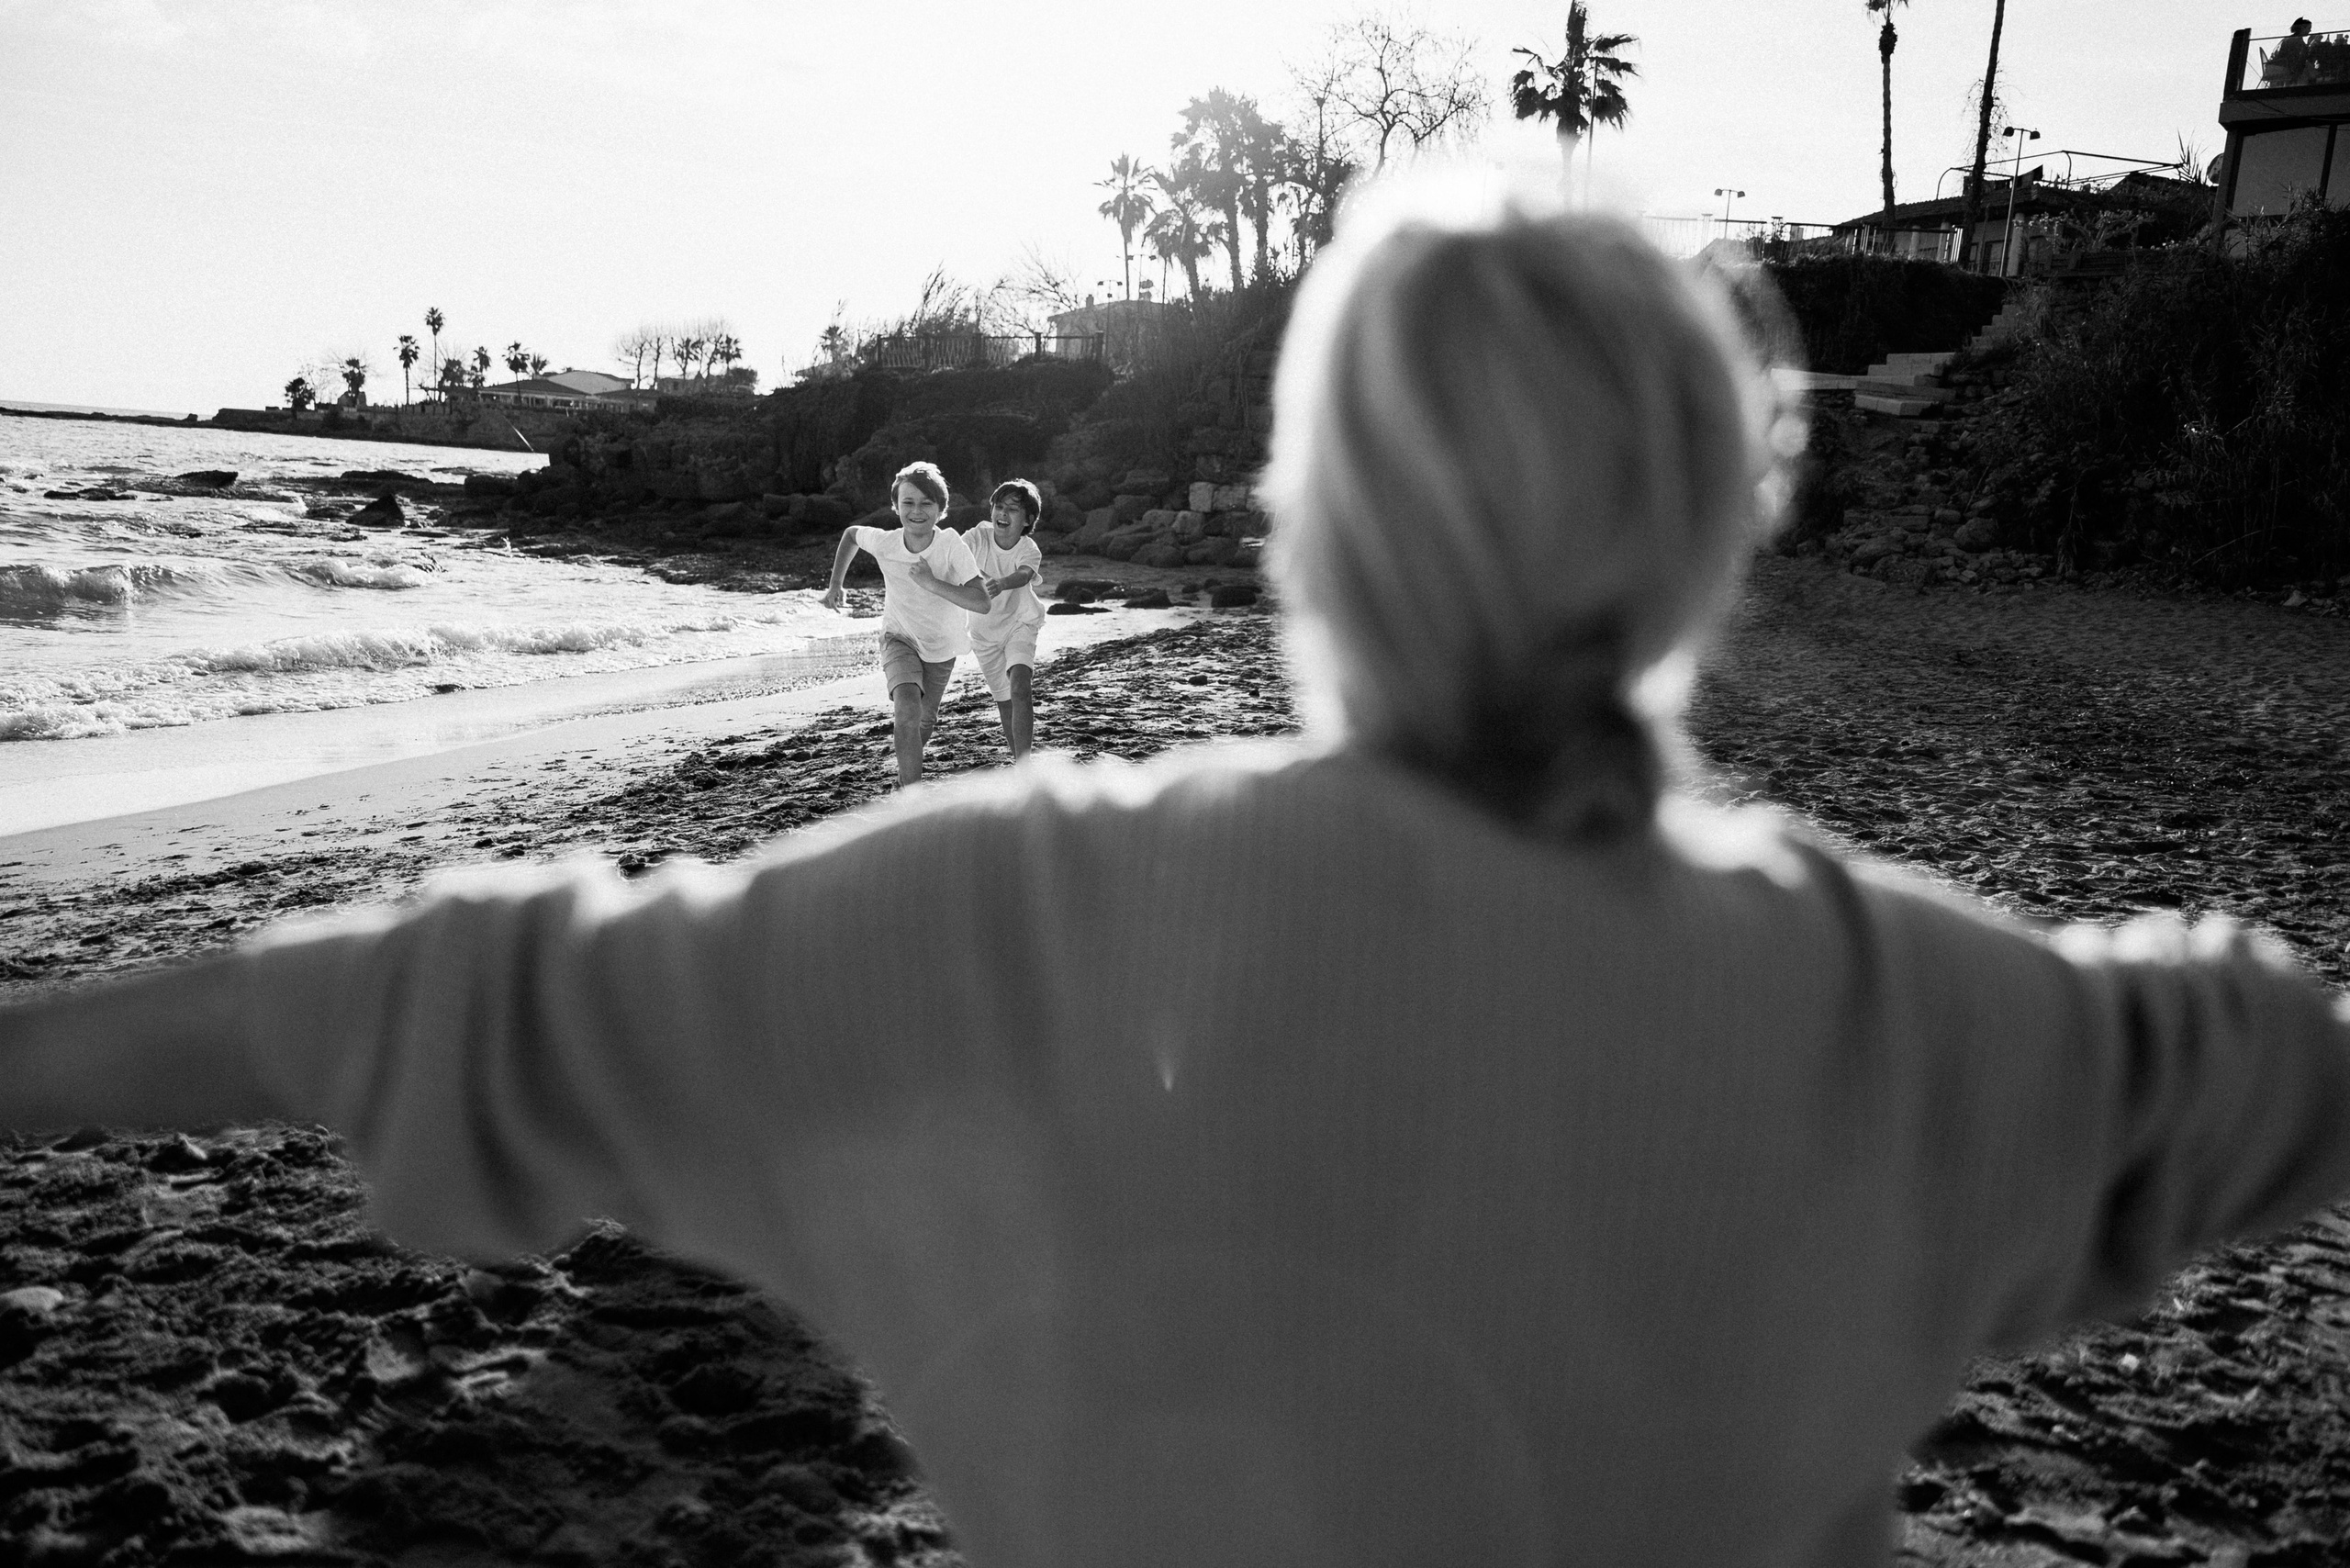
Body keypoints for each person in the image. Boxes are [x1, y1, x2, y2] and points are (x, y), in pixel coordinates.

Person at [7, 185, 2350, 1568]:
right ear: (1719, 526)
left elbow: (433, 998)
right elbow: (2262, 1055)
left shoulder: (1045, 906)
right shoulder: (1909, 1005)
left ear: (1309, 518)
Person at [819, 461, 989, 785]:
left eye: (927, 503)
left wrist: (932, 583)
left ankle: (906, 772)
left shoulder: (952, 544)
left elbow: (981, 601)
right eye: (908, 502)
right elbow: (851, 534)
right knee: (907, 711)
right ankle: (910, 797)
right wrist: (835, 585)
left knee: (923, 722)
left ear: (941, 509)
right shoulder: (887, 543)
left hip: (941, 648)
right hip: (899, 638)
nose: (917, 511)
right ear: (896, 506)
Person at [966, 478, 1048, 760]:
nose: (1003, 514)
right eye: (999, 507)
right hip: (983, 632)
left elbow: (1025, 574)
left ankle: (1024, 769)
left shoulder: (1029, 548)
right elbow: (954, 550)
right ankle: (1019, 763)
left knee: (1020, 687)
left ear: (1028, 520)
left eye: (1012, 509)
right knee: (1005, 703)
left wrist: (1001, 583)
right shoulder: (979, 536)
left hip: (1020, 623)